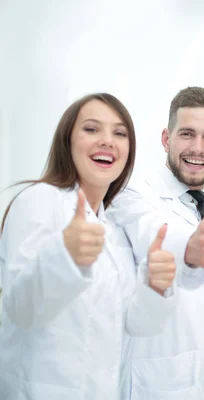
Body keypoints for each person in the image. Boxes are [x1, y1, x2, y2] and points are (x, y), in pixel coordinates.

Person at [0, 93, 177, 400]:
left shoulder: (112, 229)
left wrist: (156, 287)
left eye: (119, 133)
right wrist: (63, 257)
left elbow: (135, 325)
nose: (107, 141)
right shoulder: (39, 201)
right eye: (92, 129)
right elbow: (19, 308)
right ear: (67, 141)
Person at [108, 87, 204, 399]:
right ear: (167, 139)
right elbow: (152, 234)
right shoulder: (132, 194)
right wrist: (190, 250)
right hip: (157, 386)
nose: (197, 148)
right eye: (187, 134)